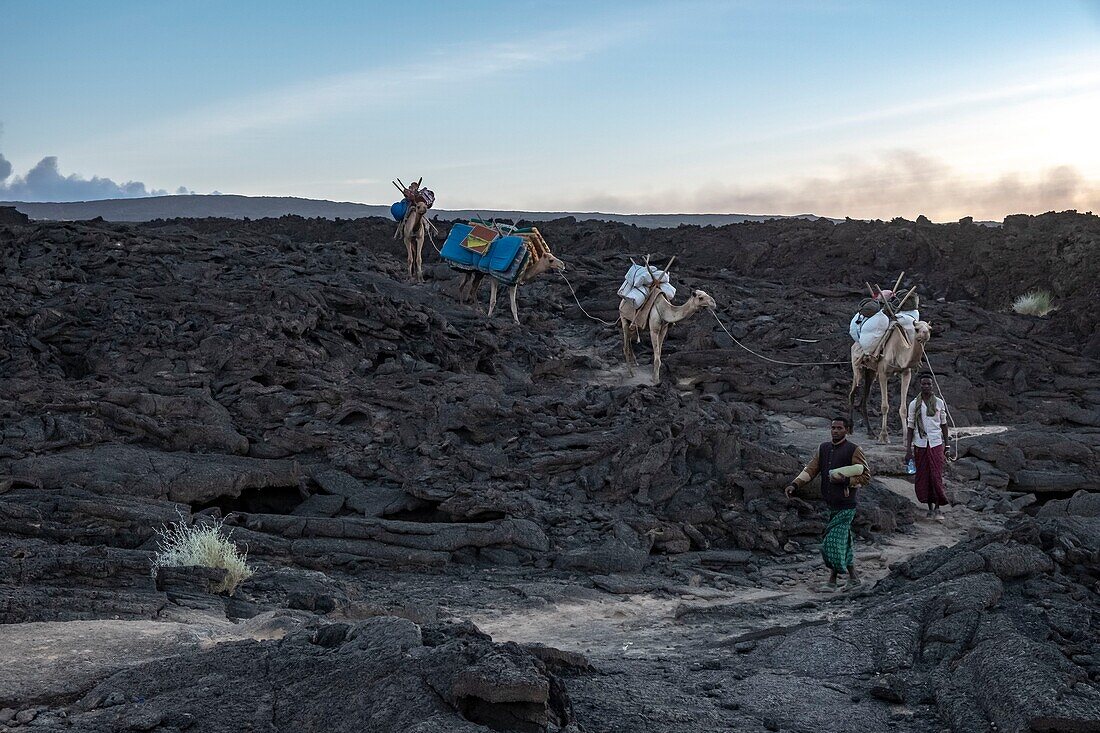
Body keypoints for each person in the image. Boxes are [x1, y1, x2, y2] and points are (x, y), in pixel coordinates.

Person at [784, 417, 872, 591]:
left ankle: (833, 579)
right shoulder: (823, 449)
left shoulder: (854, 450)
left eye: (839, 428)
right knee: (844, 542)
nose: (835, 431)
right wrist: (795, 484)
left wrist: (846, 480)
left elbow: (865, 476)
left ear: (846, 430)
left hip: (847, 504)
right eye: (833, 428)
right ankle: (852, 578)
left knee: (830, 543)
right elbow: (811, 469)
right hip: (831, 504)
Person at [905, 372, 950, 519]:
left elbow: (944, 425)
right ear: (920, 385)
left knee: (936, 475)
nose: (926, 386)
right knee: (924, 476)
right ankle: (929, 507)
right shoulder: (913, 404)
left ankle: (938, 508)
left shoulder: (939, 402)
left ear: (932, 385)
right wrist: (908, 449)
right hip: (920, 444)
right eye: (923, 384)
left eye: (928, 384)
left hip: (936, 443)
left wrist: (947, 446)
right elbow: (911, 427)